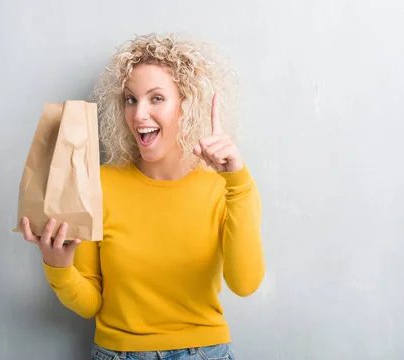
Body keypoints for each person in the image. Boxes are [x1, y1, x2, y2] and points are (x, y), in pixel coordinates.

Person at [21, 32, 266, 359]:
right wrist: (58, 267)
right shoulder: (101, 184)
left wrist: (237, 179)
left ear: (186, 105)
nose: (138, 115)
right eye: (130, 99)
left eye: (156, 98)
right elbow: (91, 303)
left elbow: (244, 283)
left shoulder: (227, 187)